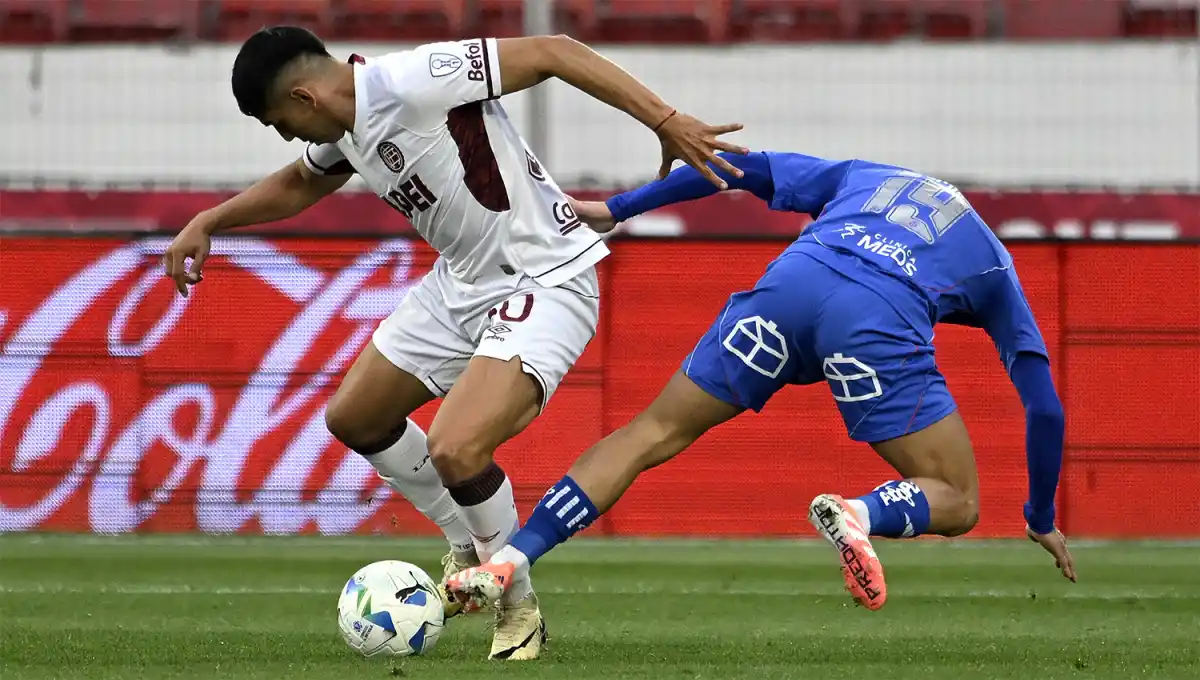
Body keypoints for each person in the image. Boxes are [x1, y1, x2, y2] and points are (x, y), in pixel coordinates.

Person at [160, 26, 746, 660]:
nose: (289, 137)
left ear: (304, 97)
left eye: (280, 123)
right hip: (461, 282)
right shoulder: (346, 124)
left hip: (542, 275)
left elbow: (552, 51)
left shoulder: (412, 79)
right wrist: (209, 221)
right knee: (356, 417)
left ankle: (516, 602)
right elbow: (300, 183)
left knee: (457, 447)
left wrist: (664, 120)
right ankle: (464, 543)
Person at [448, 150, 1078, 616]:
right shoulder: (994, 261)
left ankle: (512, 557)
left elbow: (734, 167)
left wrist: (618, 208)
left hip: (792, 283)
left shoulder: (865, 176)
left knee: (649, 432)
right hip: (876, 319)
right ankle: (859, 512)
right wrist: (1041, 514)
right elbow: (1044, 408)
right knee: (959, 500)